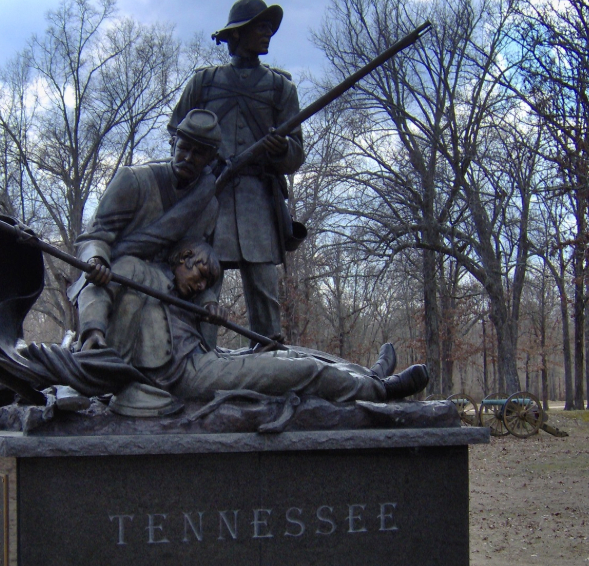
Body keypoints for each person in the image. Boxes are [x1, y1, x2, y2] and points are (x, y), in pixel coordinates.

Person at [76, 239, 429, 404]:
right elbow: (96, 293)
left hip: (203, 359)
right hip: (181, 374)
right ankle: (381, 390)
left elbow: (196, 326)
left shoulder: (184, 297)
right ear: (183, 256)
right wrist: (93, 332)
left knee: (286, 354)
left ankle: (368, 376)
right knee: (299, 370)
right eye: (199, 275)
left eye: (205, 283)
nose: (200, 286)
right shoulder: (136, 271)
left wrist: (206, 309)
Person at [169, 0, 305, 347]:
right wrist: (201, 164)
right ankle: (198, 359)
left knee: (263, 293)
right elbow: (178, 133)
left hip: (258, 200)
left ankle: (269, 364)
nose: (267, 33)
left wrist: (280, 150)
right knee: (202, 286)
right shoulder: (204, 83)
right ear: (238, 34)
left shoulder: (280, 88)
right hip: (209, 197)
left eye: (269, 27)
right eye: (260, 27)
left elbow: (296, 155)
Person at [69, 108, 229, 348]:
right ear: (173, 143)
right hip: (119, 277)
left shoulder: (208, 207)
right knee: (118, 273)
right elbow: (94, 236)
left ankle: (205, 357)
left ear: (211, 158)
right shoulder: (133, 181)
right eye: (184, 148)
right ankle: (93, 337)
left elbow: (198, 261)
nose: (188, 157)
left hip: (167, 295)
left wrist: (208, 302)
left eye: (199, 153)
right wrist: (96, 260)